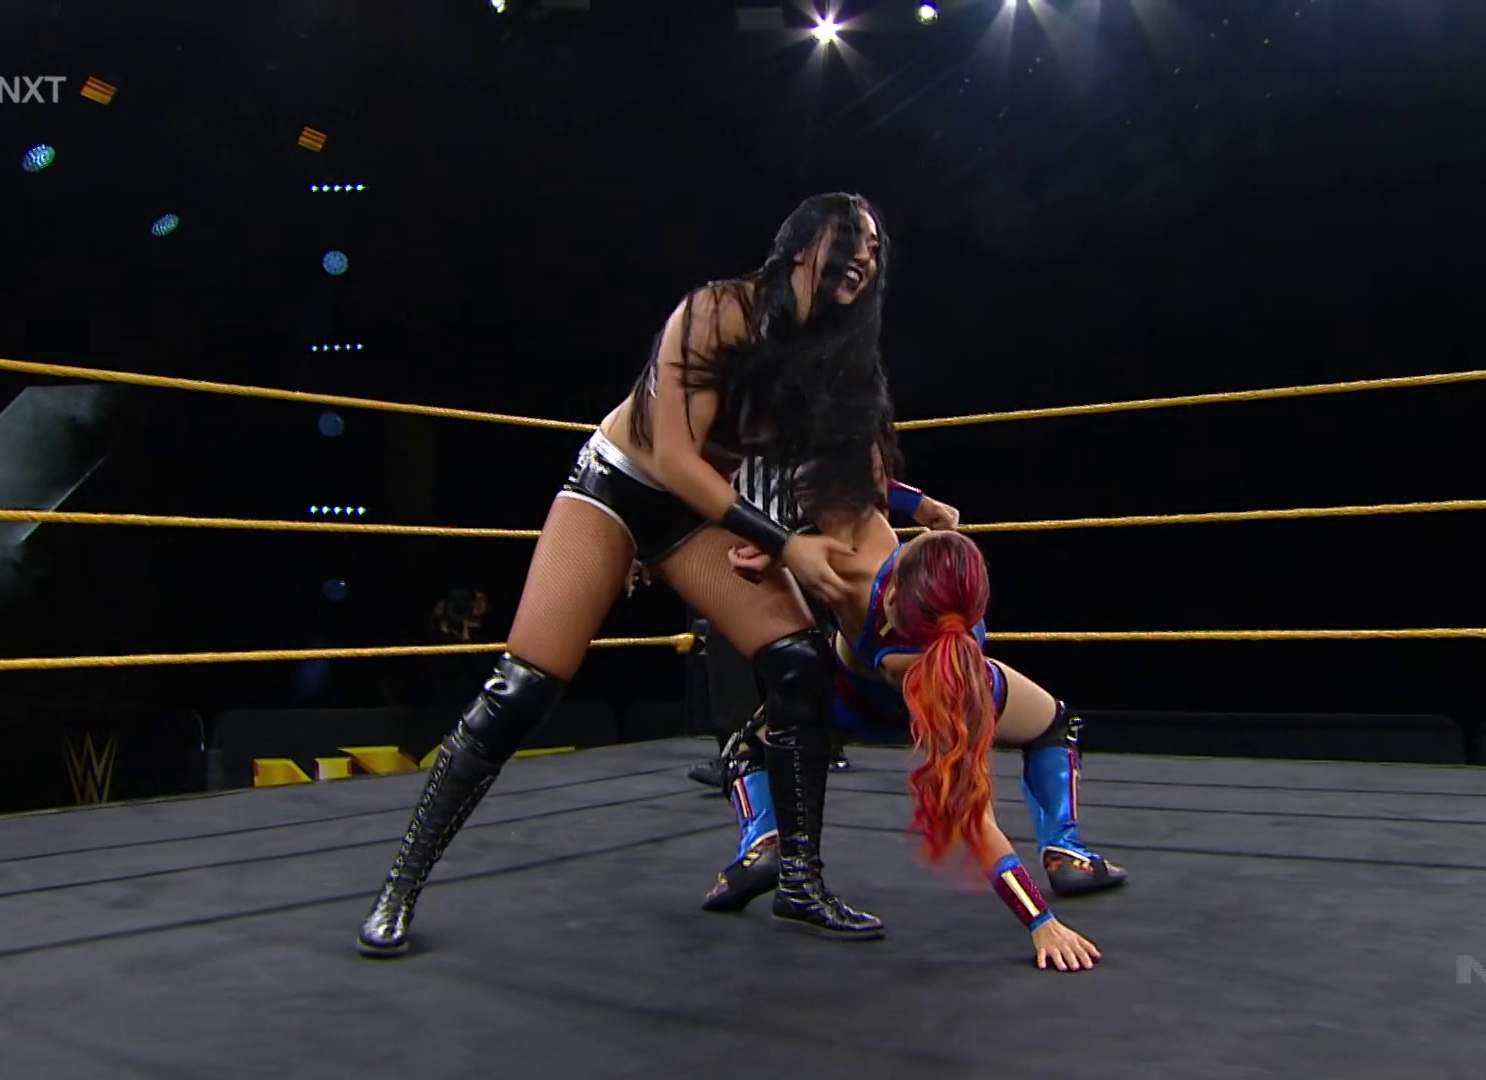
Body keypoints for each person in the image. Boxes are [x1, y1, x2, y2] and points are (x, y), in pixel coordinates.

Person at [357, 192, 904, 956]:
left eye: (876, 247)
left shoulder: (829, 353)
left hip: (696, 517)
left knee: (799, 661)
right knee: (523, 689)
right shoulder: (718, 311)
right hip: (617, 490)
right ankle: (400, 885)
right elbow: (674, 457)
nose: (866, 255)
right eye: (853, 237)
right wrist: (780, 542)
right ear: (806, 243)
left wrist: (793, 537)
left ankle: (799, 882)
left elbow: (826, 472)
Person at [700, 483, 1123, 971]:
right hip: (944, 692)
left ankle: (764, 842)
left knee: (748, 749)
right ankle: (1065, 850)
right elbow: (977, 823)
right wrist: (1039, 921)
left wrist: (780, 547)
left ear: (895, 589)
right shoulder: (960, 664)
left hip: (842, 705)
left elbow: (850, 486)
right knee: (1054, 724)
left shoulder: (859, 569)